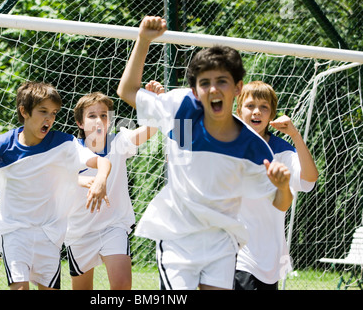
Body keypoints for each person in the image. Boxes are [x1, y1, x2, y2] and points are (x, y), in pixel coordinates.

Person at [116, 16, 292, 290]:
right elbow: (127, 90)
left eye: (222, 81)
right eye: (204, 82)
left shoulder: (253, 148)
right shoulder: (181, 112)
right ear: (196, 91)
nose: (213, 89)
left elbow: (280, 203)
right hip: (177, 239)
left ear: (237, 88)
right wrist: (144, 40)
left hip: (222, 244)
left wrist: (283, 187)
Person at [0, 81, 111, 290]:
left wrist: (100, 180)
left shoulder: (64, 143)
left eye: (53, 113)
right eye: (43, 111)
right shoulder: (0, 147)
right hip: (14, 233)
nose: (49, 119)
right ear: (24, 111)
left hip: (49, 234)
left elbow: (102, 161)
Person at [65, 91, 157, 290]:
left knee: (122, 285)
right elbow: (53, 178)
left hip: (113, 226)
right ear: (80, 123)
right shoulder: (70, 150)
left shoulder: (119, 143)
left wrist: (155, 103)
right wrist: (82, 180)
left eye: (104, 115)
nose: (99, 120)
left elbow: (149, 130)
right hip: (79, 230)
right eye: (92, 116)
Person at [234, 80, 319, 290]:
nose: (257, 112)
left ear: (271, 115)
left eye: (264, 107)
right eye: (250, 105)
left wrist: (295, 135)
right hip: (235, 255)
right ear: (238, 110)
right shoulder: (225, 145)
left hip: (269, 258)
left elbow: (309, 179)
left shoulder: (280, 150)